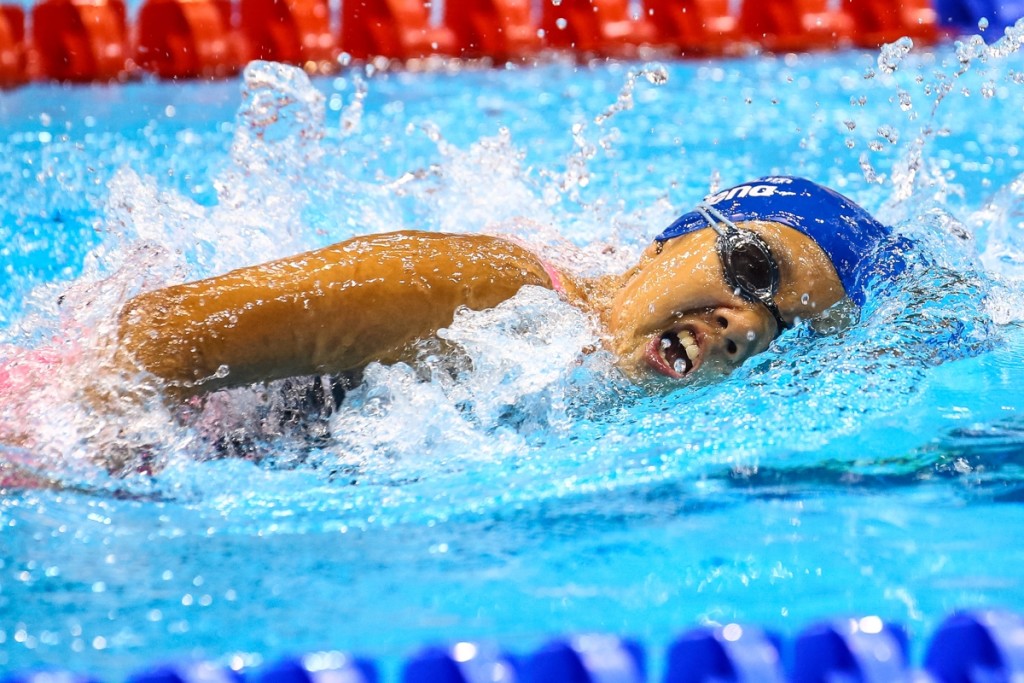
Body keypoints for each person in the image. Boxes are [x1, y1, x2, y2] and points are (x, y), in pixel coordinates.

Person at [110, 175, 908, 403]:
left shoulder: (582, 387)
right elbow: (158, 337)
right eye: (755, 270)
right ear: (673, 239)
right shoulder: (490, 290)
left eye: (787, 328)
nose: (747, 328)